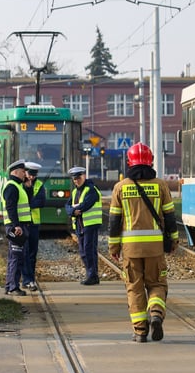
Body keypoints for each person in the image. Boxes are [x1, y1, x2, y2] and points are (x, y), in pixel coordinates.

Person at [108, 142, 179, 343]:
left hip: (131, 250)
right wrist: (173, 240)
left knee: (135, 288)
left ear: (129, 162)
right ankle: (156, 313)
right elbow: (170, 216)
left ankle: (140, 331)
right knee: (157, 283)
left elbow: (114, 222)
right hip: (155, 248)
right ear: (151, 162)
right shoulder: (161, 185)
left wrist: (114, 247)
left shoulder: (120, 187)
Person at [65, 166, 102, 286]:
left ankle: (92, 275)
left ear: (84, 176)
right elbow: (67, 205)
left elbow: (86, 204)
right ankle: (91, 274)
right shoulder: (75, 191)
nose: (76, 181)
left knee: (88, 250)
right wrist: (72, 211)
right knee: (83, 251)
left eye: (79, 178)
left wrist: (74, 210)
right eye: (74, 179)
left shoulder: (91, 190)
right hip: (80, 225)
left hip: (90, 224)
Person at [2, 159, 31, 296]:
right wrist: (16, 225)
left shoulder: (18, 186)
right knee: (16, 257)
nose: (25, 173)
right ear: (15, 172)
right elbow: (11, 207)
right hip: (16, 227)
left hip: (20, 226)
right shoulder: (12, 186)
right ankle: (13, 287)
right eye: (22, 171)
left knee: (16, 256)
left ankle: (10, 286)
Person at [21, 162, 45, 291]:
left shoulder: (39, 185)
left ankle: (31, 278)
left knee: (32, 253)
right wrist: (31, 202)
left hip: (34, 223)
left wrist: (28, 203)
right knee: (24, 252)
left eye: (34, 175)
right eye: (30, 174)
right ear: (25, 172)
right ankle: (27, 279)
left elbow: (41, 202)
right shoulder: (19, 185)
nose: (31, 177)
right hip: (23, 223)